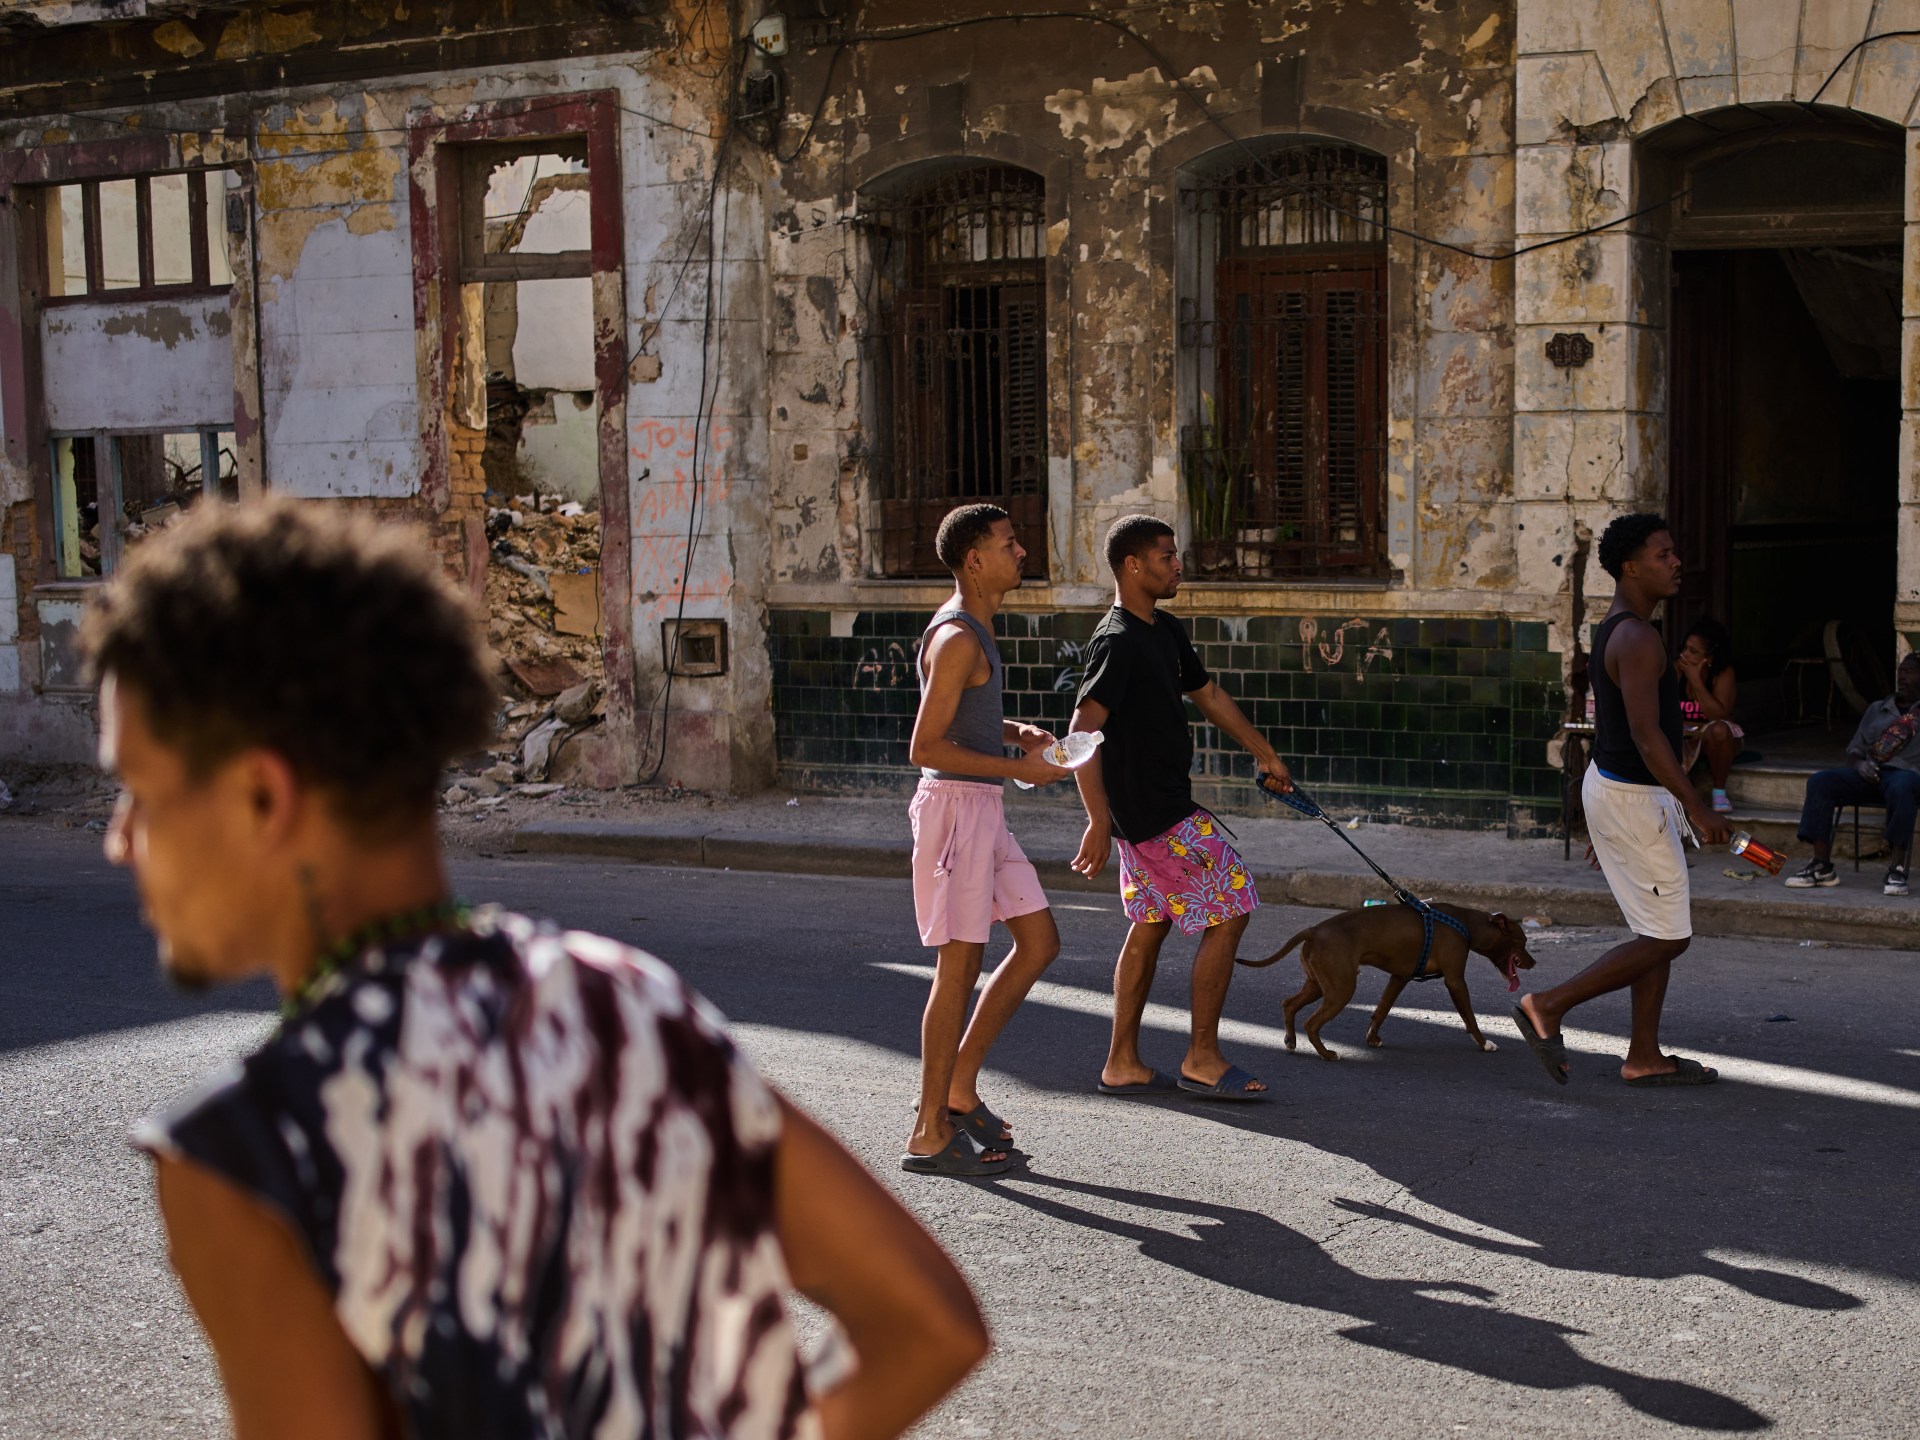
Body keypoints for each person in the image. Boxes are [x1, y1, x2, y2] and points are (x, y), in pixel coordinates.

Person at [89, 498, 987, 1440]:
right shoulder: (621, 1001)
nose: (120, 841)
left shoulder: (250, 1153)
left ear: (262, 797)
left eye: (139, 793)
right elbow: (926, 1324)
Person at [1067, 514, 1292, 1102]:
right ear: (1132, 565)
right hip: (1154, 814)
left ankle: (1122, 1063)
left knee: (1151, 923)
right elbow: (1080, 732)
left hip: (1153, 809)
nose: (1177, 566)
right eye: (1166, 557)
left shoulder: (1163, 629)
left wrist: (1266, 754)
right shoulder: (1117, 641)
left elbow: (1208, 694)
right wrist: (1097, 820)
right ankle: (1202, 1057)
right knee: (1231, 908)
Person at [1513, 513, 1731, 1088]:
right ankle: (1548, 1005)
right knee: (1668, 937)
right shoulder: (1636, 637)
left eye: (1674, 551)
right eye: (1663, 554)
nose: (1676, 562)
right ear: (1631, 568)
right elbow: (1644, 735)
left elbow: (1622, 732)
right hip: (1634, 798)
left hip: (1623, 796)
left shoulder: (1619, 629)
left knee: (1656, 928)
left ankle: (1644, 1056)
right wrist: (1697, 807)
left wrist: (1609, 824)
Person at [903, 503, 1070, 1176]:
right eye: (1009, 543)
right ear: (975, 560)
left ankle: (959, 1087)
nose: (1021, 551)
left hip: (982, 809)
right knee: (959, 968)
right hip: (956, 812)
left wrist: (1014, 730)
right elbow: (925, 746)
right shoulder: (957, 638)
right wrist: (1020, 766)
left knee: (1039, 941)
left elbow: (957, 717)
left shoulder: (974, 628)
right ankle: (927, 1130)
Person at [1783, 650, 1920, 897]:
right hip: (1869, 774)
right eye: (1900, 671)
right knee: (1820, 782)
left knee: (1903, 784)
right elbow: (1854, 752)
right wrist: (1859, 766)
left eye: (1909, 672)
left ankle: (1897, 869)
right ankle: (1822, 866)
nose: (1901, 677)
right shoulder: (1877, 709)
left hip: (1905, 779)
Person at [1675, 617, 1741, 814]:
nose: (1685, 655)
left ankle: (1719, 793)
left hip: (1715, 738)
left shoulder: (1723, 673)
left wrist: (1696, 681)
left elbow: (1718, 715)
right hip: (1685, 736)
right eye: (1685, 648)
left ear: (1709, 658)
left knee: (1719, 730)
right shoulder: (1676, 669)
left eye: (1693, 651)